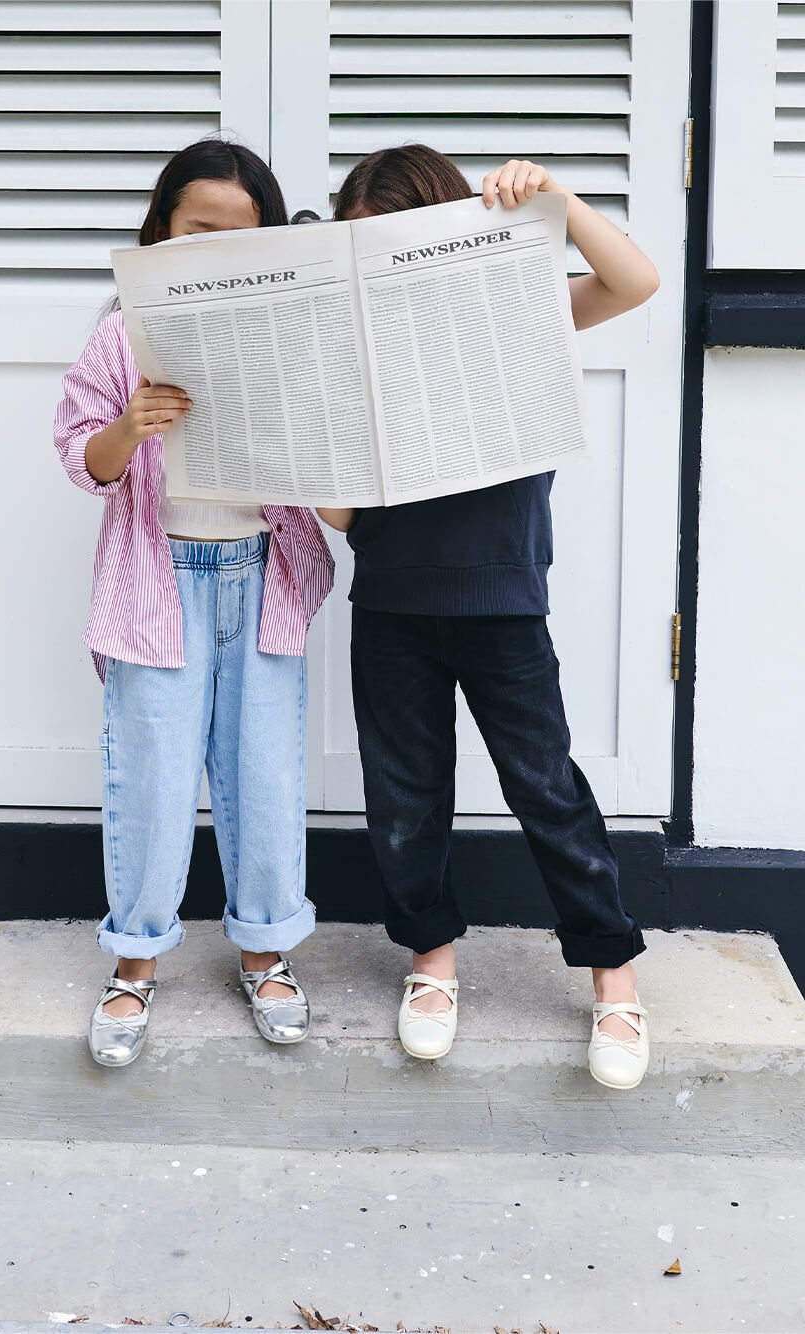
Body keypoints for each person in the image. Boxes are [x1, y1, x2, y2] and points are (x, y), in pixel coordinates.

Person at [317, 146, 659, 1089]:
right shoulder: (350, 353)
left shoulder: (519, 319)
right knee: (404, 797)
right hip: (389, 600)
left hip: (503, 599)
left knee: (546, 787)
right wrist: (305, 452)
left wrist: (556, 197)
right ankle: (431, 962)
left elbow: (634, 281)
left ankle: (613, 973)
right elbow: (345, 520)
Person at [54, 139, 334, 1068]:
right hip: (158, 579)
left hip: (260, 576)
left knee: (265, 773)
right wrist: (129, 425)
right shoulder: (120, 333)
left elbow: (327, 467)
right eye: (195, 227)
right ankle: (134, 962)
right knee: (154, 775)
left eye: (237, 233)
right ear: (162, 228)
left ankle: (265, 950)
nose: (213, 243)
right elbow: (80, 458)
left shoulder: (290, 333)